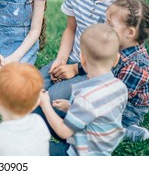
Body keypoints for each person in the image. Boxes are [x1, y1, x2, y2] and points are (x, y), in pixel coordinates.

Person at [39, 0, 129, 103]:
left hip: (98, 69)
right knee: (32, 85)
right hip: (73, 57)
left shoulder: (122, 7)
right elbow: (70, 29)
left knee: (54, 98)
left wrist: (75, 69)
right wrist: (61, 59)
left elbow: (113, 56)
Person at [40, 23, 128, 156]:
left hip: (80, 152)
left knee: (33, 148)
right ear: (116, 59)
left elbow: (64, 132)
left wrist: (45, 104)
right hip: (100, 146)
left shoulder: (85, 97)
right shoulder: (120, 87)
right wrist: (70, 107)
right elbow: (99, 113)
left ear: (82, 59)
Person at [107, 0, 149, 142]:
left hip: (128, 110)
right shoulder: (119, 46)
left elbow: (117, 98)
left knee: (95, 125)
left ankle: (128, 130)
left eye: (110, 25)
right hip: (116, 95)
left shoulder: (135, 64)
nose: (105, 28)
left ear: (130, 33)